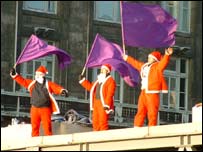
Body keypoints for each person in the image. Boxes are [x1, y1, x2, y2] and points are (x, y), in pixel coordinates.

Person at [10, 65, 69, 136]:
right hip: (34, 108)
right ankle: (34, 141)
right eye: (36, 74)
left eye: (39, 74)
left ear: (43, 75)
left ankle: (48, 140)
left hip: (45, 109)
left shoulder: (48, 84)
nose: (37, 76)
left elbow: (56, 88)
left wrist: (62, 91)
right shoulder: (32, 83)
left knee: (47, 127)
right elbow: (22, 81)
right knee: (34, 126)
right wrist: (14, 75)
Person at [123, 48, 173, 127]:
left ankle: (152, 128)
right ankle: (137, 126)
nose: (148, 58)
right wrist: (127, 58)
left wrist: (167, 55)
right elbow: (136, 63)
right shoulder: (144, 66)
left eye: (150, 57)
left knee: (152, 111)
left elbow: (164, 62)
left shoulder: (158, 67)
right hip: (144, 91)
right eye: (149, 57)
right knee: (140, 109)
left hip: (152, 92)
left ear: (154, 59)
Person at [79, 64, 116, 131]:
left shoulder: (111, 81)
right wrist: (83, 81)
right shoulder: (98, 81)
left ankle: (103, 138)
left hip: (103, 104)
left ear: (107, 71)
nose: (101, 71)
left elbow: (110, 94)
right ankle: (95, 137)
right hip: (96, 102)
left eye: (103, 69)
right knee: (95, 121)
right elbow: (91, 88)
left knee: (102, 122)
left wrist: (107, 105)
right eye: (101, 69)